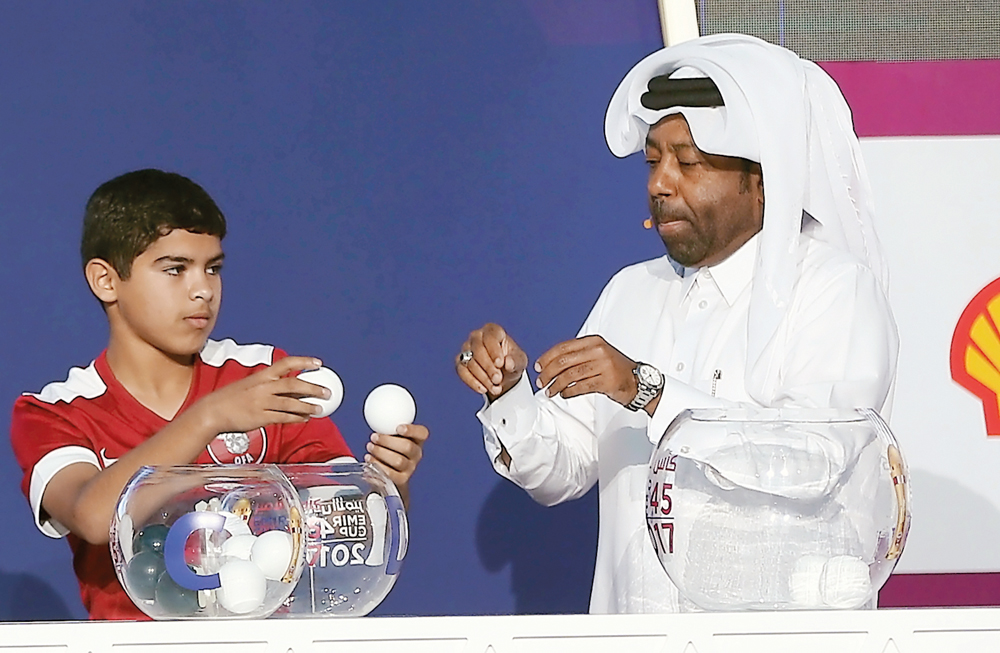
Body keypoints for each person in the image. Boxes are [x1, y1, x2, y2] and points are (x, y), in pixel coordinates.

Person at [455, 34, 898, 613]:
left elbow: (815, 460)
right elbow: (563, 468)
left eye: (688, 163)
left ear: (764, 181)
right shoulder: (631, 292)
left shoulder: (833, 290)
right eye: (653, 161)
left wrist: (649, 392)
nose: (659, 184)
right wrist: (509, 392)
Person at [9, 169, 429, 620]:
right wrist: (209, 418)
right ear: (105, 281)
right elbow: (94, 518)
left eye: (213, 268)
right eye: (175, 269)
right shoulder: (54, 412)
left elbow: (350, 529)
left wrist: (387, 485)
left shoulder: (262, 376)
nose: (203, 290)